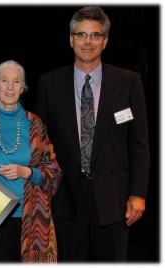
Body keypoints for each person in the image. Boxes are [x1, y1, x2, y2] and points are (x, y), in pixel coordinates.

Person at [35, 6, 150, 262]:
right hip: (65, 199)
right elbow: (41, 144)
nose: (88, 41)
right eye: (81, 34)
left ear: (105, 41)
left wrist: (138, 193)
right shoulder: (49, 83)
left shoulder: (129, 83)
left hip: (113, 198)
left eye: (95, 35)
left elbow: (139, 144)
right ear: (71, 39)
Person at [0, 60, 62, 263]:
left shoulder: (36, 125)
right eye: (4, 81)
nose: (9, 87)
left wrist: (27, 172)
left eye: (16, 82)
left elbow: (54, 173)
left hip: (31, 220)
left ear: (23, 88)